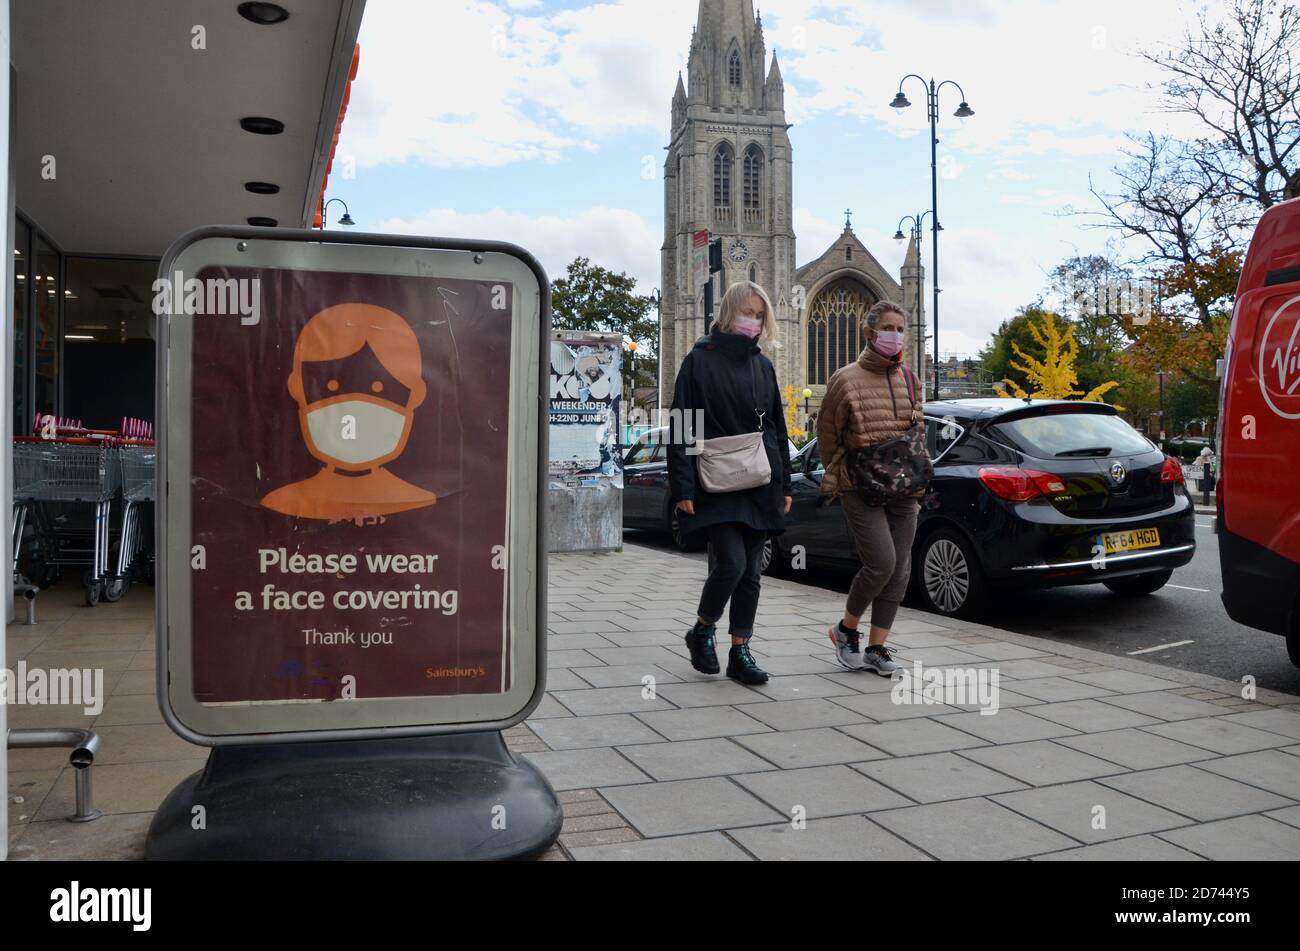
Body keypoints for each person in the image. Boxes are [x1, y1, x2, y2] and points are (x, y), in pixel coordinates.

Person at [667, 281, 793, 685]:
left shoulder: (763, 365)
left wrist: (784, 485)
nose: (752, 321)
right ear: (728, 312)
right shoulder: (699, 360)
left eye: (759, 315)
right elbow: (682, 425)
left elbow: (776, 427)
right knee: (732, 564)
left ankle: (741, 650)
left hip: (758, 480)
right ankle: (703, 629)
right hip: (714, 480)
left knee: (752, 575)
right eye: (747, 313)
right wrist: (683, 488)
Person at [817, 301, 925, 674]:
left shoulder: (910, 378)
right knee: (881, 563)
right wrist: (843, 471)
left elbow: (917, 429)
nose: (895, 336)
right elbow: (826, 435)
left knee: (900, 570)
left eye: (901, 329)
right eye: (888, 328)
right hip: (860, 485)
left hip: (905, 487)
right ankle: (846, 629)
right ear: (869, 333)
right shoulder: (845, 379)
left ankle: (877, 648)